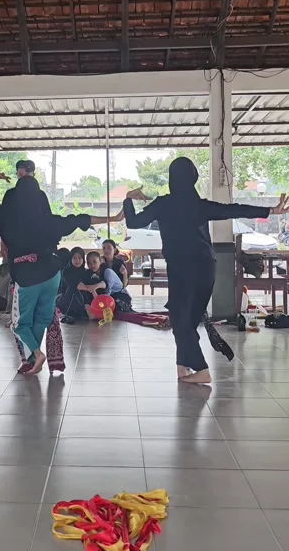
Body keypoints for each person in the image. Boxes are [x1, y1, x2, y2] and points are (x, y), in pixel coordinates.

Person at [122, 156, 289, 384]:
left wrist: (128, 199)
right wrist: (270, 210)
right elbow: (233, 210)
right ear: (193, 178)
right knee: (187, 319)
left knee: (181, 319)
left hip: (182, 268)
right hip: (206, 267)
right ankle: (183, 366)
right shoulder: (199, 205)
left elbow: (133, 222)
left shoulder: (163, 204)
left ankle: (201, 369)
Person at [0, 173, 121, 374]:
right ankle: (32, 361)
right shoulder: (49, 221)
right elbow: (79, 220)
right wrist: (113, 218)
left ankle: (36, 355)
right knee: (42, 319)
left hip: (27, 276)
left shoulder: (6, 219)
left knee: (19, 324)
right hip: (51, 274)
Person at [79, 250, 132, 316]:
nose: (92, 265)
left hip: (121, 296)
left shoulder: (107, 272)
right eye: (89, 263)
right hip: (110, 296)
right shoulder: (91, 273)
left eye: (94, 262)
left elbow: (107, 291)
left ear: (100, 261)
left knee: (111, 310)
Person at [56, 246, 92, 323]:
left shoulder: (86, 272)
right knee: (74, 284)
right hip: (68, 301)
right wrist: (88, 288)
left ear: (83, 259)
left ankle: (86, 310)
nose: (77, 260)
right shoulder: (66, 271)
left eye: (79, 258)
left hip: (83, 300)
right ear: (70, 259)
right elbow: (76, 285)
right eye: (74, 258)